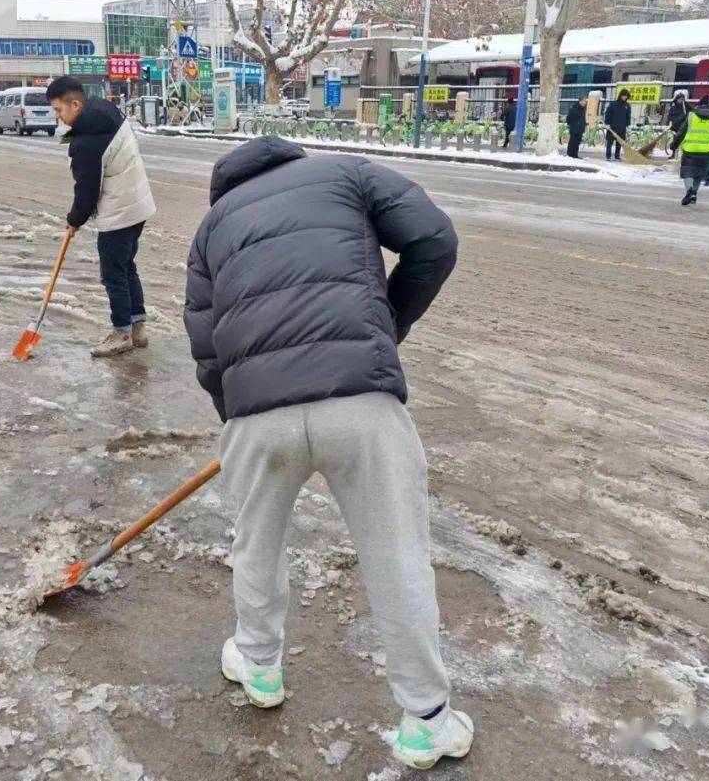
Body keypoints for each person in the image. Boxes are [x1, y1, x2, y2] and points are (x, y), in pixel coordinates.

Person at [183, 136, 472, 771]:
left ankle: (259, 670)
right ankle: (426, 720)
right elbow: (434, 240)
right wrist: (383, 328)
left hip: (256, 413)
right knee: (396, 554)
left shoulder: (212, 225)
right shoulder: (347, 173)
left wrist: (238, 412)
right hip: (361, 404)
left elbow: (204, 340)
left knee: (255, 545)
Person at [46, 76, 156, 357]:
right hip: (137, 206)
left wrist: (74, 221)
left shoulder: (88, 140)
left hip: (119, 212)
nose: (59, 118)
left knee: (113, 274)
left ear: (75, 104)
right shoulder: (104, 111)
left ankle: (121, 333)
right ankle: (137, 328)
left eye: (59, 111)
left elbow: (86, 191)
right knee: (126, 267)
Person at [671, 95, 709, 206]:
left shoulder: (692, 115)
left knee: (687, 172)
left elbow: (682, 132)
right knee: (698, 174)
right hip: (706, 151)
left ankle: (689, 191)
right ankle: (694, 194)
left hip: (690, 149)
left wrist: (674, 145)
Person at [604, 88, 632, 161]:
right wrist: (607, 123)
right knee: (610, 142)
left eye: (626, 96)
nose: (624, 97)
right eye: (623, 95)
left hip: (622, 127)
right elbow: (608, 114)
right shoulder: (613, 104)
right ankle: (608, 156)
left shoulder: (627, 106)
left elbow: (628, 116)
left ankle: (617, 156)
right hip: (612, 127)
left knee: (619, 142)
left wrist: (628, 125)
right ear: (620, 96)